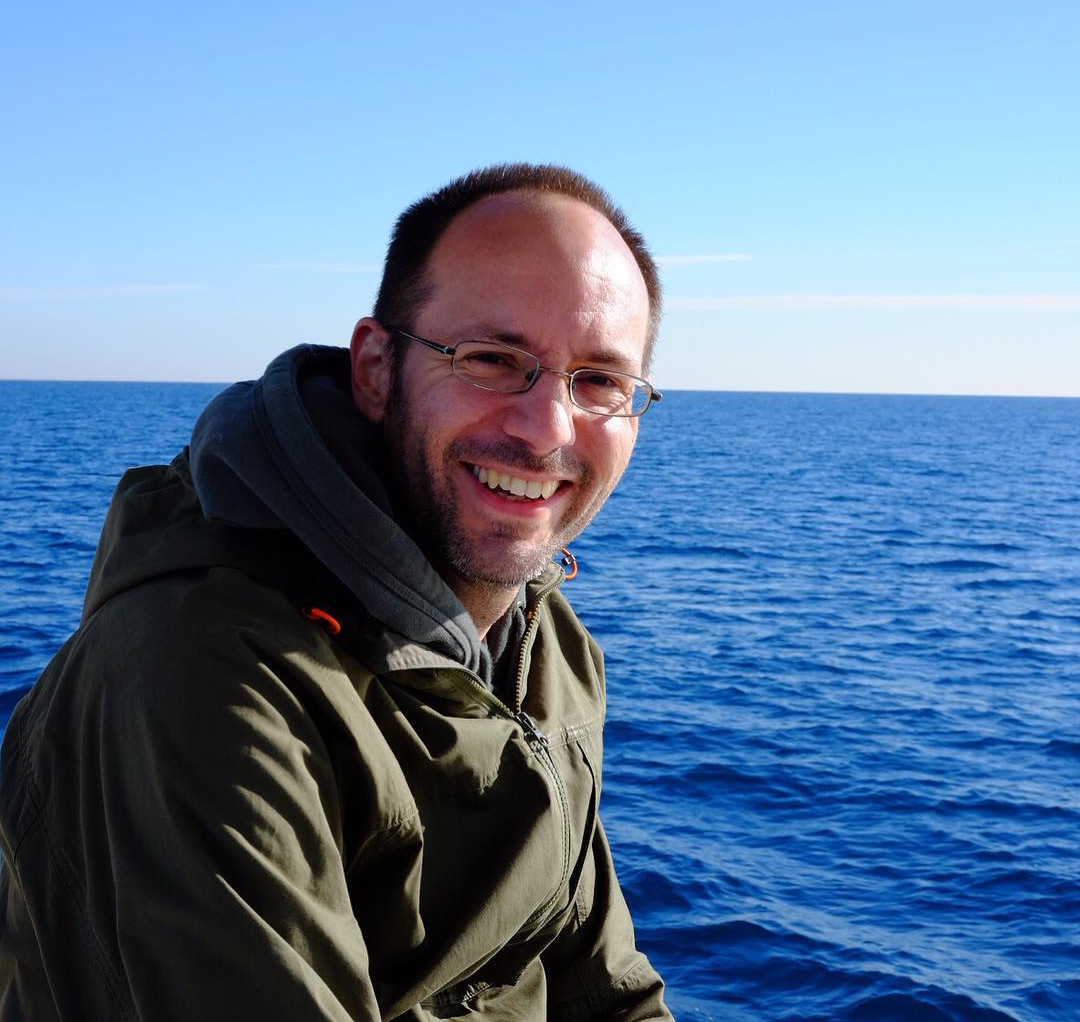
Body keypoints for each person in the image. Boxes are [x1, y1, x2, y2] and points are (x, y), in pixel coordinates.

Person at [0, 164, 673, 1020]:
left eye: (601, 381)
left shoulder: (546, 645)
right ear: (376, 369)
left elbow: (602, 985)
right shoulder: (204, 675)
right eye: (493, 360)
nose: (546, 429)